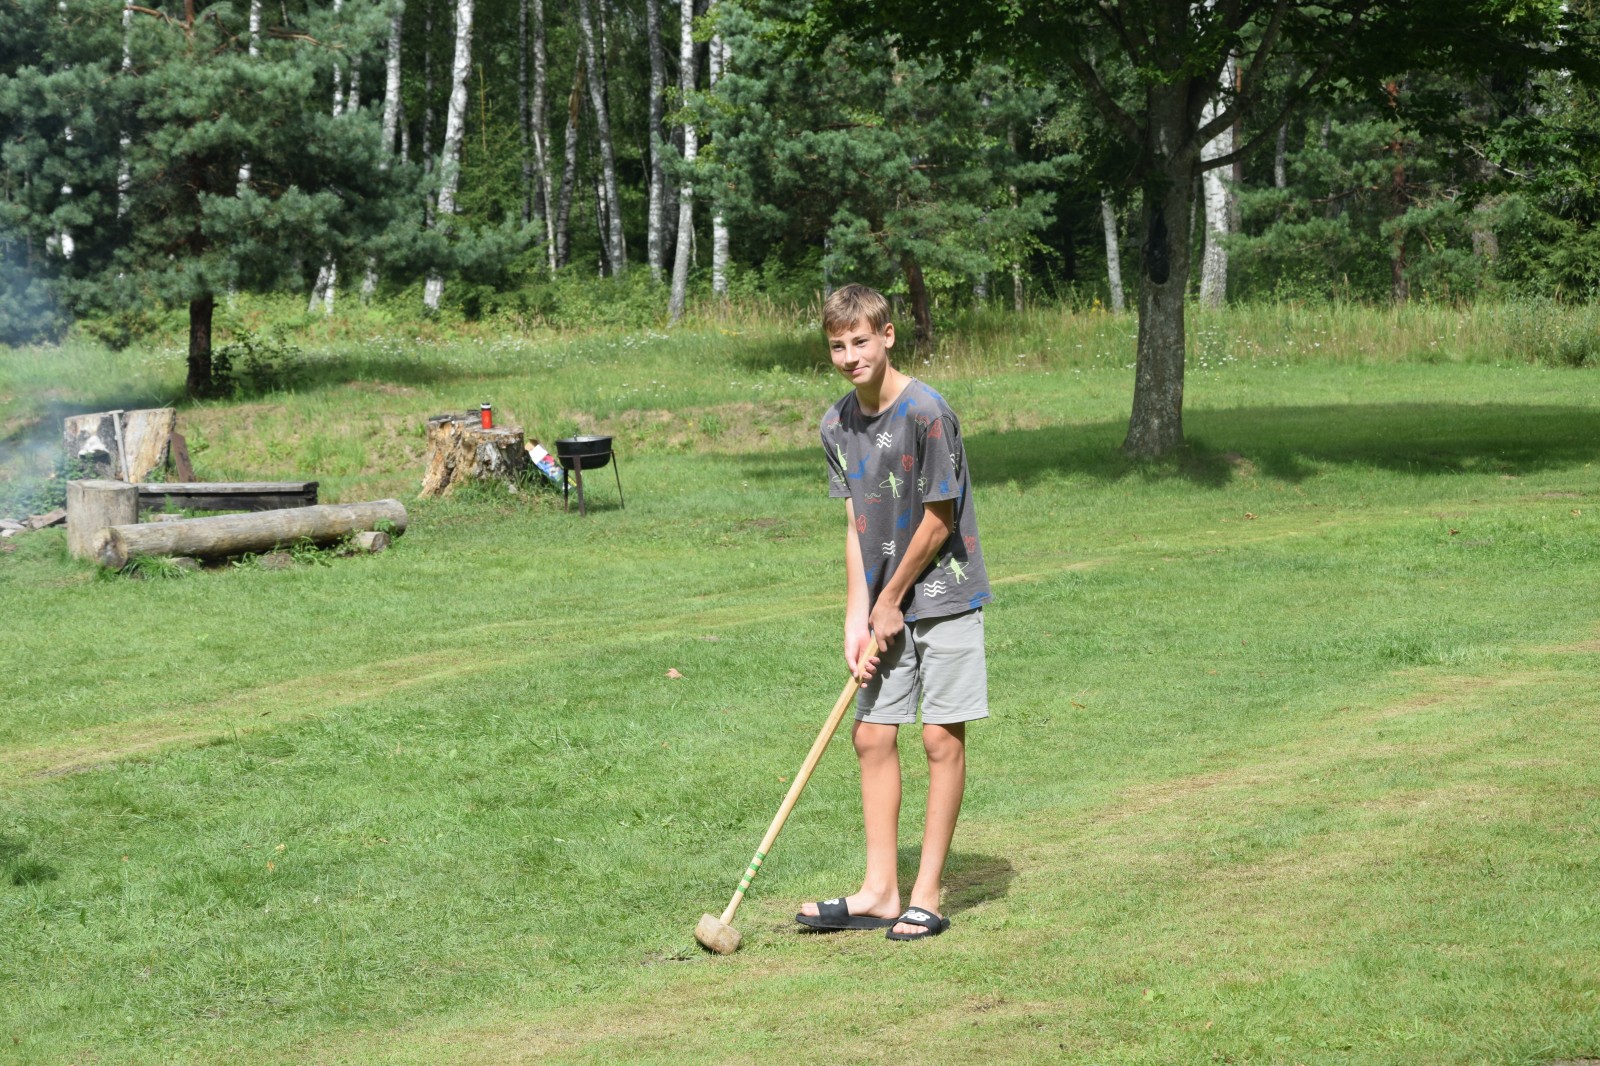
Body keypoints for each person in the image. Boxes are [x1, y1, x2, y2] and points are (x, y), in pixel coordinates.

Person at [796, 283, 991, 942]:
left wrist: (889, 601)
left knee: (940, 738)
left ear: (887, 337)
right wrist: (858, 614)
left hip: (943, 594)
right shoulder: (835, 425)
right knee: (872, 736)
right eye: (837, 346)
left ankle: (927, 894)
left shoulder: (928, 412)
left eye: (860, 341)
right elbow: (857, 524)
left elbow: (938, 519)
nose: (850, 355)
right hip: (882, 608)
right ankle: (880, 891)